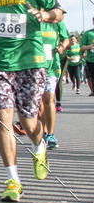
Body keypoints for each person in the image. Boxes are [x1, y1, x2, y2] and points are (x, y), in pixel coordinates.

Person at [0, 0, 63, 202]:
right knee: (3, 120)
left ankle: (40, 142)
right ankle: (13, 179)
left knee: (29, 120)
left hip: (31, 62)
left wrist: (44, 14)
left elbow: (58, 12)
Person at [39, 16, 70, 149]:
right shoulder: (32, 18)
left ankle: (51, 134)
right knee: (39, 102)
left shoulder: (57, 21)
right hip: (33, 64)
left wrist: (62, 46)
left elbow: (66, 38)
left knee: (49, 97)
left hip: (52, 65)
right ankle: (43, 132)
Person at [79, 18, 94, 96]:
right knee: (90, 77)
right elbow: (81, 47)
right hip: (90, 60)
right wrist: (90, 46)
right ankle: (92, 91)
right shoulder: (88, 34)